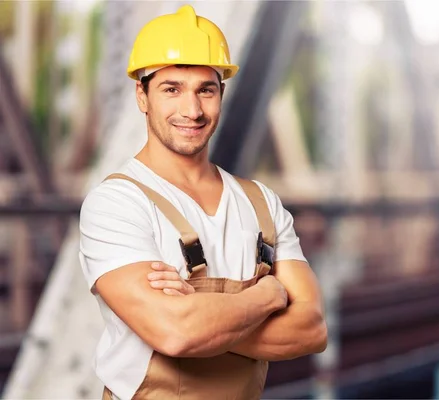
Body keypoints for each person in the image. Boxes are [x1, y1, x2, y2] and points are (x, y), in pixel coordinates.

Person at [79, 5, 327, 400]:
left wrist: (201, 315)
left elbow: (312, 329)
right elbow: (175, 333)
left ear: (221, 94)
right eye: (171, 89)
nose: (192, 111)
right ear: (141, 95)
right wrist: (267, 296)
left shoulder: (261, 203)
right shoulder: (116, 204)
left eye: (205, 90)